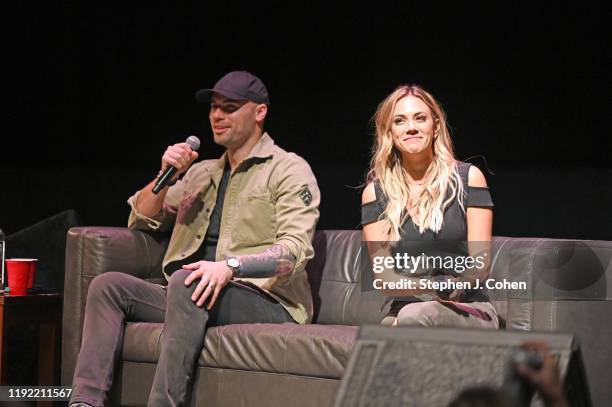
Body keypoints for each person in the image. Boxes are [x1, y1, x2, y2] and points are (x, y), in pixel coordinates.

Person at [69, 71, 320, 407]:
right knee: (108, 286)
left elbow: (294, 251)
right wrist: (164, 173)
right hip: (192, 293)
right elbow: (142, 217)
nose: (217, 116)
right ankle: (84, 402)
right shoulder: (202, 173)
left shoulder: (288, 169)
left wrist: (230, 266)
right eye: (214, 108)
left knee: (188, 282)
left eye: (229, 107)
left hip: (266, 298)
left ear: (259, 112)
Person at [361, 84, 498, 328]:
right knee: (388, 330)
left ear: (435, 127)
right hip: (405, 310)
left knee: (412, 319)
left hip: (467, 307)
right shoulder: (375, 193)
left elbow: (480, 264)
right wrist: (430, 287)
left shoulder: (468, 178)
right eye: (400, 121)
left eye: (420, 118)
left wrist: (453, 286)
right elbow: (384, 277)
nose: (411, 127)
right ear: (389, 132)